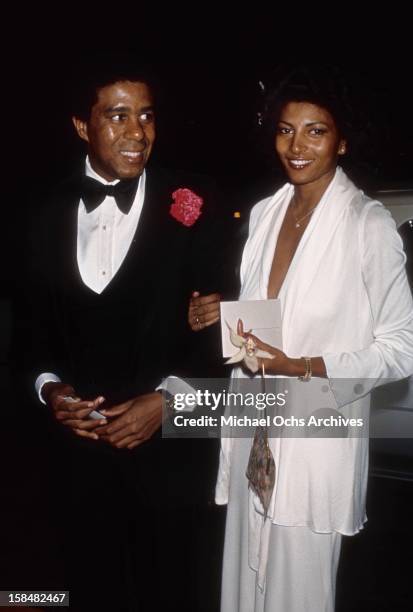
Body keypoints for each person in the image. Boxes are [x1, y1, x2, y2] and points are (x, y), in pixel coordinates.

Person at [191, 65, 413, 611]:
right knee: (243, 585)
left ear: (341, 142)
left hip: (316, 439)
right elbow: (267, 320)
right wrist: (220, 313)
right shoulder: (266, 213)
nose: (296, 145)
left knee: (298, 594)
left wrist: (303, 367)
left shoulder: (368, 224)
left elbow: (401, 348)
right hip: (253, 433)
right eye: (286, 129)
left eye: (316, 131)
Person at [14, 58, 225, 612]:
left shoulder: (199, 205)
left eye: (148, 117)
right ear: (83, 127)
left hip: (172, 468)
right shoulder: (41, 213)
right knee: (89, 589)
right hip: (78, 468)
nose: (138, 133)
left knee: (176, 593)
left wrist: (170, 402)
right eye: (119, 116)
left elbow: (230, 338)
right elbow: (28, 335)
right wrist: (50, 390)